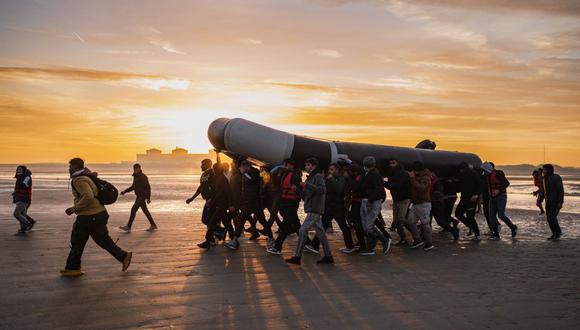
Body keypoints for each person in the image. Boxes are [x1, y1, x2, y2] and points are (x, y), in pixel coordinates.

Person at [61, 158, 132, 277]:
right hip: (99, 213)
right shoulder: (87, 176)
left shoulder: (79, 179)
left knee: (77, 241)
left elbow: (88, 196)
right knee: (102, 240)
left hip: (88, 216)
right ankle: (123, 256)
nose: (69, 168)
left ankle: (73, 268)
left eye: (71, 166)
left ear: (76, 167)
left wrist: (73, 209)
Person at [285, 158, 334, 265]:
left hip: (315, 209)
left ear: (313, 166)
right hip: (312, 208)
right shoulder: (311, 177)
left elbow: (322, 190)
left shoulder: (317, 176)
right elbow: (307, 194)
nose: (305, 167)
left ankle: (297, 257)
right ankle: (328, 256)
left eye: (307, 165)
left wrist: (306, 185)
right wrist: (297, 189)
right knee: (321, 234)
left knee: (302, 230)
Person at [225, 160, 273, 250]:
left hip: (255, 203)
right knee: (240, 221)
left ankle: (271, 239)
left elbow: (255, 180)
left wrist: (244, 173)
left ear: (247, 166)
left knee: (262, 221)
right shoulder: (244, 174)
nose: (240, 169)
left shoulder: (255, 172)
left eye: (241, 167)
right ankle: (234, 241)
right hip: (246, 203)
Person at [312, 163, 356, 253]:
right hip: (329, 207)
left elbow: (339, 189)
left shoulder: (342, 179)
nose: (329, 171)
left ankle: (350, 246)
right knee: (322, 226)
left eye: (331, 170)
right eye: (329, 169)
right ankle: (314, 245)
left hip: (337, 207)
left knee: (343, 226)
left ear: (337, 170)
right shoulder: (329, 179)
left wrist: (331, 179)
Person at [267, 159, 302, 255]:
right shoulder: (284, 174)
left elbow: (300, 191)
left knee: (285, 226)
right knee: (296, 224)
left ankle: (277, 247)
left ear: (292, 166)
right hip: (285, 202)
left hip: (292, 203)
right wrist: (275, 170)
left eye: (286, 164)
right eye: (284, 164)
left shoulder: (295, 176)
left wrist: (297, 190)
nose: (285, 166)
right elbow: (273, 178)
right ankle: (309, 242)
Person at [358, 156, 392, 256]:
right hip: (366, 200)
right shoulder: (367, 173)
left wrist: (370, 200)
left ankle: (384, 240)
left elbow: (377, 189)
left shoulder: (375, 175)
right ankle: (370, 248)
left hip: (372, 202)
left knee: (368, 227)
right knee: (367, 226)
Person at [198, 163, 235, 249]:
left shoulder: (222, 179)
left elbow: (228, 192)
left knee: (212, 223)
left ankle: (208, 241)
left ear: (217, 170)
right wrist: (211, 200)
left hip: (222, 205)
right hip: (219, 204)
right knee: (227, 223)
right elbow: (216, 193)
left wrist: (231, 205)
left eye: (214, 169)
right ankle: (233, 240)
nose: (213, 171)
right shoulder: (218, 178)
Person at [481, 162, 517, 240]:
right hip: (492, 198)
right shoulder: (485, 176)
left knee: (501, 215)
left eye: (484, 170)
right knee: (492, 217)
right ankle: (496, 234)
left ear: (488, 169)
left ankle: (513, 227)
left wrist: (498, 190)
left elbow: (507, 183)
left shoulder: (498, 173)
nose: (484, 172)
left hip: (501, 197)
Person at [119, 164, 157, 232]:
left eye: (137, 168)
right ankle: (153, 225)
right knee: (145, 211)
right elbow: (133, 186)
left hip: (141, 196)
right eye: (134, 169)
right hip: (139, 196)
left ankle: (128, 226)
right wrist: (125, 191)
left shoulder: (143, 177)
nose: (135, 170)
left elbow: (148, 187)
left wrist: (148, 197)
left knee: (133, 210)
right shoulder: (135, 176)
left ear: (139, 168)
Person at [406, 161, 434, 250]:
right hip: (415, 203)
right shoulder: (418, 176)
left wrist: (412, 179)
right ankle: (418, 240)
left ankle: (429, 243)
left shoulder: (426, 177)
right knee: (410, 221)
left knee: (425, 224)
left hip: (424, 203)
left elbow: (421, 188)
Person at [383, 158, 412, 245]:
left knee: (401, 219)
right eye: (390, 163)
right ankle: (403, 239)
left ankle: (417, 235)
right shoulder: (391, 174)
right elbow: (392, 186)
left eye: (393, 163)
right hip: (396, 199)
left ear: (398, 163)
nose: (391, 165)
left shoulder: (403, 173)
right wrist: (385, 183)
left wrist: (384, 183)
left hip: (404, 199)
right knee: (396, 221)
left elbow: (397, 185)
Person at [455, 162, 481, 240]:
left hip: (472, 199)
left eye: (462, 169)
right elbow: (460, 186)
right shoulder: (461, 175)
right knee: (458, 213)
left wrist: (476, 194)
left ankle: (477, 234)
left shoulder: (473, 174)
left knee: (470, 217)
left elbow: (480, 184)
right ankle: (471, 227)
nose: (461, 171)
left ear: (465, 168)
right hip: (463, 198)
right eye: (460, 169)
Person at [186, 159, 215, 228]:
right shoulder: (203, 175)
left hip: (212, 200)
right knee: (205, 220)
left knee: (208, 219)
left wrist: (211, 199)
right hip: (207, 200)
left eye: (203, 164)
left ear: (208, 164)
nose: (201, 166)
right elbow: (200, 188)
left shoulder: (212, 173)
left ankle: (216, 233)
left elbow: (215, 188)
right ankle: (218, 232)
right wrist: (192, 198)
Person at [542, 164, 564, 240]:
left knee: (552, 217)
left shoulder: (556, 177)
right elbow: (544, 190)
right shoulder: (544, 178)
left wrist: (560, 202)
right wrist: (541, 199)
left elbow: (561, 191)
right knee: (549, 218)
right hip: (548, 202)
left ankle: (557, 233)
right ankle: (555, 233)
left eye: (544, 169)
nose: (543, 171)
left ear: (548, 170)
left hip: (555, 202)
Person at [12, 165, 36, 234]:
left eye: (20, 169)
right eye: (17, 169)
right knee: (23, 213)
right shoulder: (21, 176)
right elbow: (20, 187)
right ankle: (23, 228)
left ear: (23, 170)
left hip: (24, 198)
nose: (18, 170)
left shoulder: (26, 176)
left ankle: (28, 223)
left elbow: (25, 185)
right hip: (21, 197)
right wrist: (15, 193)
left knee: (16, 213)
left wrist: (22, 181)